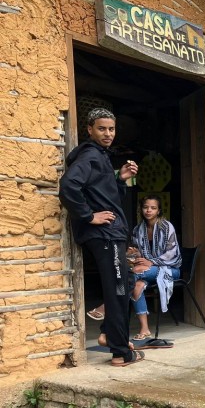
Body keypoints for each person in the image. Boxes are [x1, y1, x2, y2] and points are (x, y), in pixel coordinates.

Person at [59, 108, 144, 367]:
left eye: (111, 129)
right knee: (118, 290)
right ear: (90, 130)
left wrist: (121, 179)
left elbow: (107, 197)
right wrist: (88, 216)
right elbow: (68, 186)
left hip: (113, 234)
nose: (108, 134)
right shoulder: (90, 156)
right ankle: (120, 352)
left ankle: (109, 333)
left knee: (126, 282)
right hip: (105, 235)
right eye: (102, 129)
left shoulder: (103, 158)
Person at [129, 194, 182, 342]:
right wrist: (134, 254)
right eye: (145, 207)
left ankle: (108, 306)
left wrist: (150, 262)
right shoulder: (138, 229)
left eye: (153, 208)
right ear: (141, 209)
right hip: (146, 271)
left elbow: (171, 254)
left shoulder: (166, 226)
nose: (148, 210)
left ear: (158, 210)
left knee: (134, 274)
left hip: (170, 269)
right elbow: (139, 252)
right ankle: (145, 329)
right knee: (136, 284)